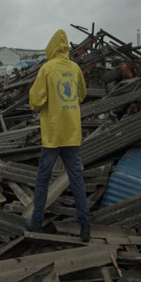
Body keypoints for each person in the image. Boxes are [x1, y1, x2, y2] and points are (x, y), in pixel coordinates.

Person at [27, 29, 91, 242]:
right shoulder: (75, 69)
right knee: (77, 179)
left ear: (52, 47)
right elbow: (81, 94)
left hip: (53, 135)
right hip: (72, 133)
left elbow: (36, 102)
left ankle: (36, 221)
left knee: (43, 178)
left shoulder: (47, 69)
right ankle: (85, 227)